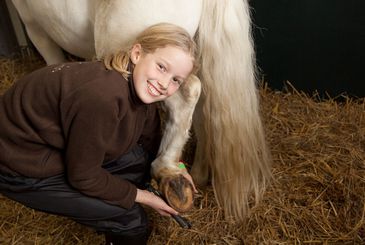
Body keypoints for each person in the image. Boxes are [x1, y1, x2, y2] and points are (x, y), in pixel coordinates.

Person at [0, 23, 198, 245]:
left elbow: (151, 141)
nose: (164, 84)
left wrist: (177, 169)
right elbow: (83, 176)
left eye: (175, 80)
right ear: (137, 53)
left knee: (138, 160)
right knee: (131, 220)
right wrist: (144, 197)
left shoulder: (141, 87)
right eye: (162, 67)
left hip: (50, 145)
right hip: (21, 165)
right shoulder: (102, 98)